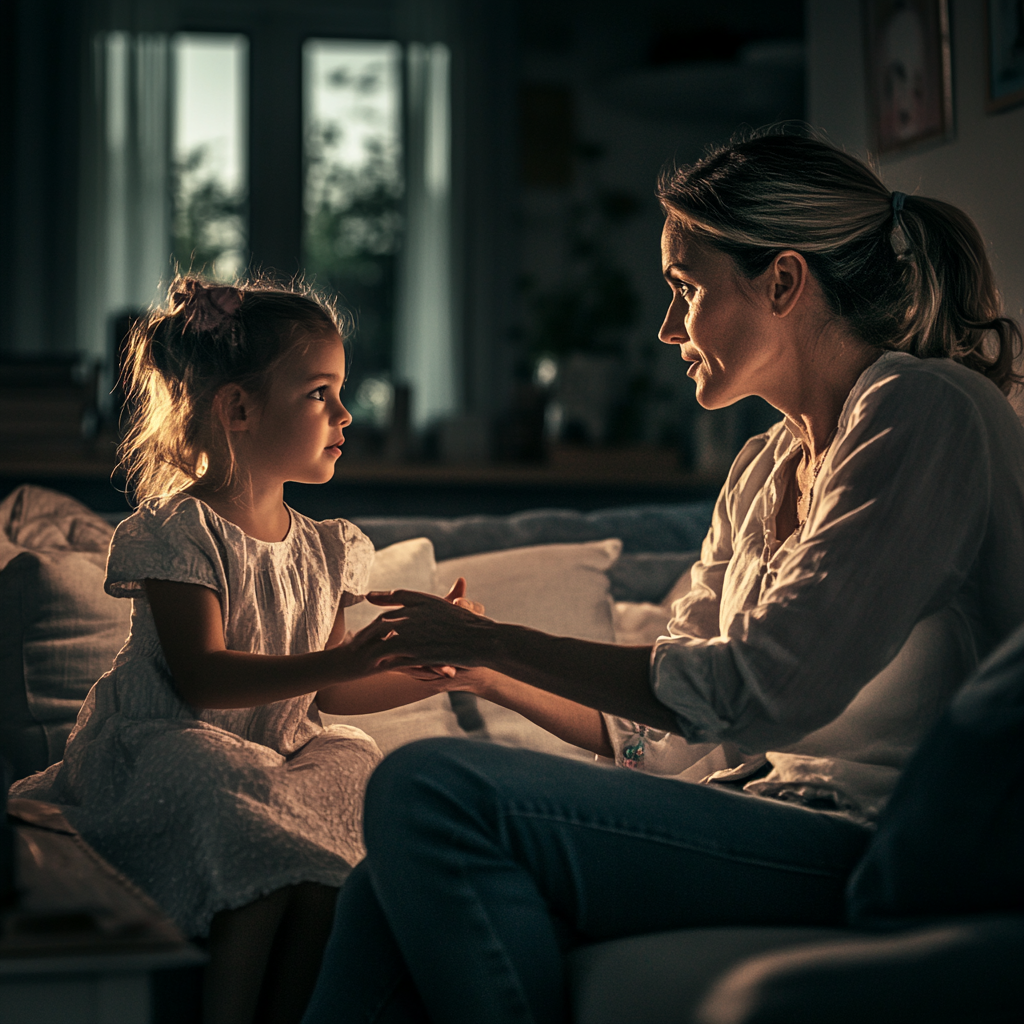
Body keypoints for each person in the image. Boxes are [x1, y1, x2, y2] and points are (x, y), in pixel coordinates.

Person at [302, 132, 1024, 1024]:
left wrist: (496, 640)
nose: (666, 326)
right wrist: (488, 669)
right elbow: (675, 733)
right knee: (385, 883)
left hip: (885, 843)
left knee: (433, 791)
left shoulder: (926, 411)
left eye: (686, 288)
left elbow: (761, 690)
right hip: (770, 810)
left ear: (784, 282)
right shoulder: (764, 466)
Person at [8, 277, 470, 1024]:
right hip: (170, 744)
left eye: (340, 391)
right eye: (320, 393)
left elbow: (333, 693)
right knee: (226, 782)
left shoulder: (328, 547)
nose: (346, 414)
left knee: (350, 763)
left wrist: (440, 671)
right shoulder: (179, 532)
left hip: (275, 758)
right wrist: (346, 662)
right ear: (239, 409)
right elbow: (203, 679)